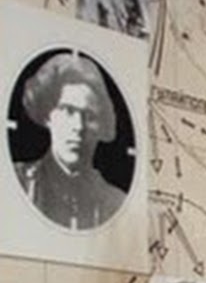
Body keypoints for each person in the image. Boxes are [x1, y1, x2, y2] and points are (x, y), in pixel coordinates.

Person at [14, 52, 127, 230]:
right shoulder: (18, 182)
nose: (79, 127)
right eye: (68, 111)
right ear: (48, 116)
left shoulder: (115, 202)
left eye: (89, 116)